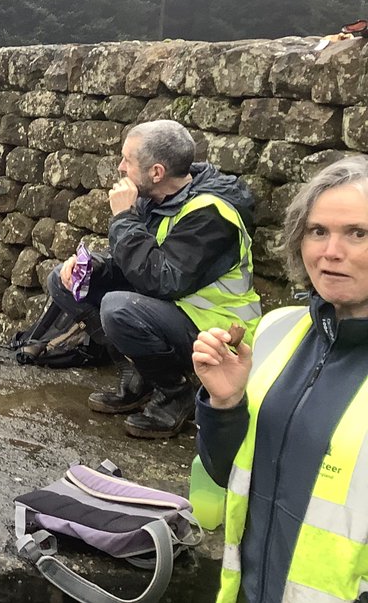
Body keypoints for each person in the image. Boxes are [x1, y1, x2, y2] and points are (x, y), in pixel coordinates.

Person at [194, 155, 368, 603]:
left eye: (358, 233)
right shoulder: (277, 330)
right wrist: (225, 405)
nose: (331, 251)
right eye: (318, 231)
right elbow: (226, 472)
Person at [46, 119, 261, 439]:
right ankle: (139, 376)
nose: (120, 167)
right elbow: (134, 264)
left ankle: (175, 394)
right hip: (167, 310)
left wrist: (123, 218)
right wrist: (92, 267)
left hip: (215, 332)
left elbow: (160, 280)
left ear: (156, 172)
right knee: (65, 282)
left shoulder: (212, 214)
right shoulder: (154, 199)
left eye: (127, 161)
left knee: (118, 308)